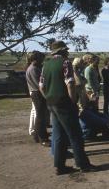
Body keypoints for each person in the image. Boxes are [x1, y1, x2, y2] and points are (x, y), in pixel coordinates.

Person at [39, 40, 96, 175]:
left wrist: (48, 97)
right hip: (64, 103)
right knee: (75, 134)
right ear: (61, 51)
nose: (67, 51)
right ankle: (83, 164)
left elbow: (41, 86)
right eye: (65, 50)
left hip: (52, 103)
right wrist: (72, 102)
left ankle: (60, 166)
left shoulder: (45, 64)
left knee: (58, 135)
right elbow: (70, 83)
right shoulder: (65, 62)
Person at [26, 50, 50, 146]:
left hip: (36, 93)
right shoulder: (33, 69)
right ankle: (43, 138)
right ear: (35, 58)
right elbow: (39, 84)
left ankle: (37, 136)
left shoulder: (34, 68)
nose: (42, 59)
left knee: (41, 116)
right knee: (41, 117)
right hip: (37, 93)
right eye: (41, 57)